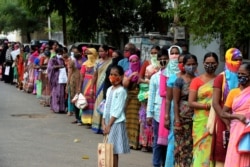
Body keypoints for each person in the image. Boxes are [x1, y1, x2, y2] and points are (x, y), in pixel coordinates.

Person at [211, 48, 242, 166]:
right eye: (235, 59)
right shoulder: (221, 78)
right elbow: (215, 103)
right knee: (222, 149)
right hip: (223, 118)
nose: (238, 62)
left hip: (240, 119)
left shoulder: (244, 77)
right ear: (227, 59)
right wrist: (227, 122)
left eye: (240, 59)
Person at [188, 52, 219, 166]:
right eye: (207, 63)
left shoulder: (220, 80)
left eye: (213, 63)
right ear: (203, 64)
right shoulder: (196, 81)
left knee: (212, 148)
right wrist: (208, 106)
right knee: (200, 148)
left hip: (215, 119)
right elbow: (191, 102)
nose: (210, 65)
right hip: (200, 121)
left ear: (217, 64)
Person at [217, 63, 250, 167]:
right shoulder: (233, 92)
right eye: (239, 74)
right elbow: (223, 113)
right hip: (236, 130)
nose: (240, 76)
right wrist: (237, 116)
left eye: (243, 74)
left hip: (248, 129)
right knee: (235, 154)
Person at [102, 65, 130, 167]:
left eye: (116, 75)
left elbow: (117, 110)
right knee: (108, 148)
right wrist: (103, 122)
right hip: (108, 122)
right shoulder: (109, 89)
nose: (113, 77)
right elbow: (105, 107)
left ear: (121, 77)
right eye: (111, 74)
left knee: (113, 150)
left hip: (116, 123)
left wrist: (109, 124)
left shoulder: (121, 91)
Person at [173, 54, 197, 167]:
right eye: (188, 64)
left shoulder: (199, 80)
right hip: (182, 119)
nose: (191, 67)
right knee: (181, 148)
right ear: (183, 65)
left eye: (193, 64)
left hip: (196, 119)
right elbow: (175, 102)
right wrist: (177, 119)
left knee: (192, 148)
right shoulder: (179, 81)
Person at [146, 50, 170, 167]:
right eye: (160, 59)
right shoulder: (155, 77)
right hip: (157, 113)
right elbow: (151, 95)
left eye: (165, 58)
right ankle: (156, 164)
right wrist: (149, 114)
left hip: (170, 113)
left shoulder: (173, 76)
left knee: (168, 142)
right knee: (157, 142)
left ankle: (165, 163)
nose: (162, 61)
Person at [138, 45, 161, 152]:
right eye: (152, 53)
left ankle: (153, 143)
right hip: (146, 93)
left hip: (159, 94)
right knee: (145, 118)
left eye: (156, 52)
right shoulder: (147, 63)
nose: (153, 55)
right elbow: (139, 79)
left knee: (156, 119)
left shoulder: (163, 64)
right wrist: (148, 81)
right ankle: (144, 143)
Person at [164, 46, 184, 167]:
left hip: (189, 113)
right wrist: (166, 115)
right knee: (173, 138)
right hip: (173, 111)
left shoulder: (195, 78)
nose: (179, 62)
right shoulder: (172, 78)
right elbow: (168, 99)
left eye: (183, 61)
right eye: (173, 54)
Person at [91, 44, 112, 133]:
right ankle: (97, 125)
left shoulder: (111, 61)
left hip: (108, 85)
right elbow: (95, 75)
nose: (100, 53)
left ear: (107, 52)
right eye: (99, 51)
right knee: (99, 104)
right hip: (99, 85)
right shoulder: (97, 62)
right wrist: (92, 88)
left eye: (102, 51)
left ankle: (105, 126)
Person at [80, 48, 98, 128]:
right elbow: (82, 75)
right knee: (86, 102)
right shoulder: (85, 64)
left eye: (91, 54)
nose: (89, 56)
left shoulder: (98, 63)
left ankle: (93, 120)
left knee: (93, 102)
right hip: (86, 83)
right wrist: (80, 86)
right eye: (88, 54)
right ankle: (86, 120)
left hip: (95, 84)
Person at [47, 47, 66, 113]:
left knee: (61, 93)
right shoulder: (53, 59)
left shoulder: (62, 59)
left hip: (62, 78)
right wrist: (59, 66)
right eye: (61, 52)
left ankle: (61, 108)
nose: (62, 54)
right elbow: (50, 68)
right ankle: (55, 108)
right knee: (56, 93)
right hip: (55, 79)